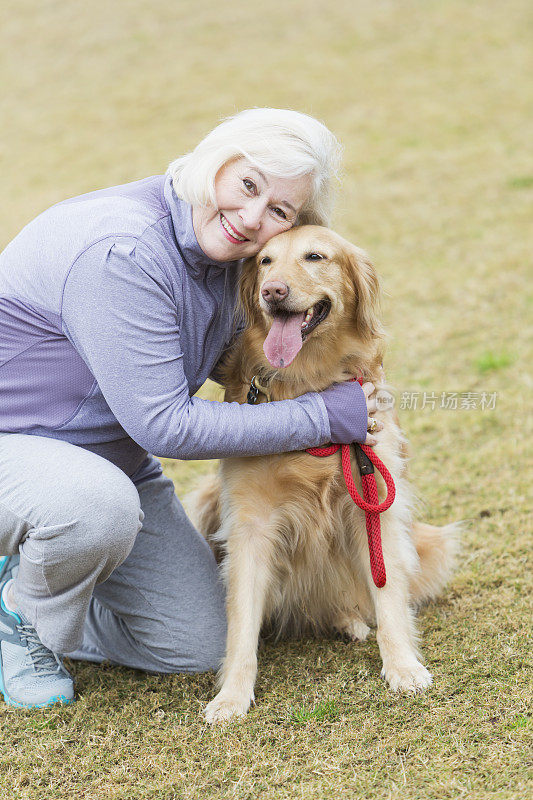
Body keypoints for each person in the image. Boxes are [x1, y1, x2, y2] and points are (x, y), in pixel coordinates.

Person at [0, 108, 380, 709]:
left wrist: (356, 381)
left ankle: (60, 579)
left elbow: (251, 365)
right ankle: (24, 618)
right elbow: (165, 425)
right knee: (92, 506)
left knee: (197, 645)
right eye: (247, 186)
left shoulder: (234, 262)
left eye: (279, 210)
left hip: (110, 461)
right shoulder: (122, 250)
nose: (253, 217)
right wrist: (324, 417)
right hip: (16, 449)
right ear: (212, 165)